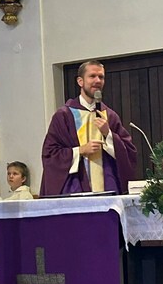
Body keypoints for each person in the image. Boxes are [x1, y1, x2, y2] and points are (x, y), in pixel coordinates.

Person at [41, 60, 138, 196]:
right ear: (80, 81)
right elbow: (50, 155)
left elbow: (129, 153)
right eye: (92, 76)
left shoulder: (110, 116)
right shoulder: (64, 115)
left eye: (101, 77)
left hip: (108, 186)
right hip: (76, 186)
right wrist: (80, 150)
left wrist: (108, 135)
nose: (97, 80)